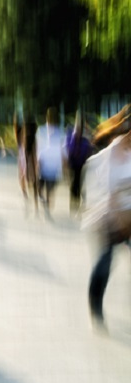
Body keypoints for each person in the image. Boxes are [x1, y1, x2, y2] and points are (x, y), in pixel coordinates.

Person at [81, 108, 131, 332]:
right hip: (106, 218)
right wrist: (117, 218)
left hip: (128, 216)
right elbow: (104, 195)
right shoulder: (109, 156)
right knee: (104, 264)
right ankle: (95, 309)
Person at [36, 107, 66, 218]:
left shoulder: (58, 131)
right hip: (47, 164)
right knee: (43, 189)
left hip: (49, 165)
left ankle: (47, 209)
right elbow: (63, 150)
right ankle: (45, 204)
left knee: (46, 189)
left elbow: (62, 149)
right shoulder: (43, 130)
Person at [66, 110, 92, 213]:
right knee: (75, 182)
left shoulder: (84, 134)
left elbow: (88, 148)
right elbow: (69, 147)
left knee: (78, 182)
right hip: (74, 161)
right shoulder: (72, 133)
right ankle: (75, 201)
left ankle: (76, 201)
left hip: (80, 161)